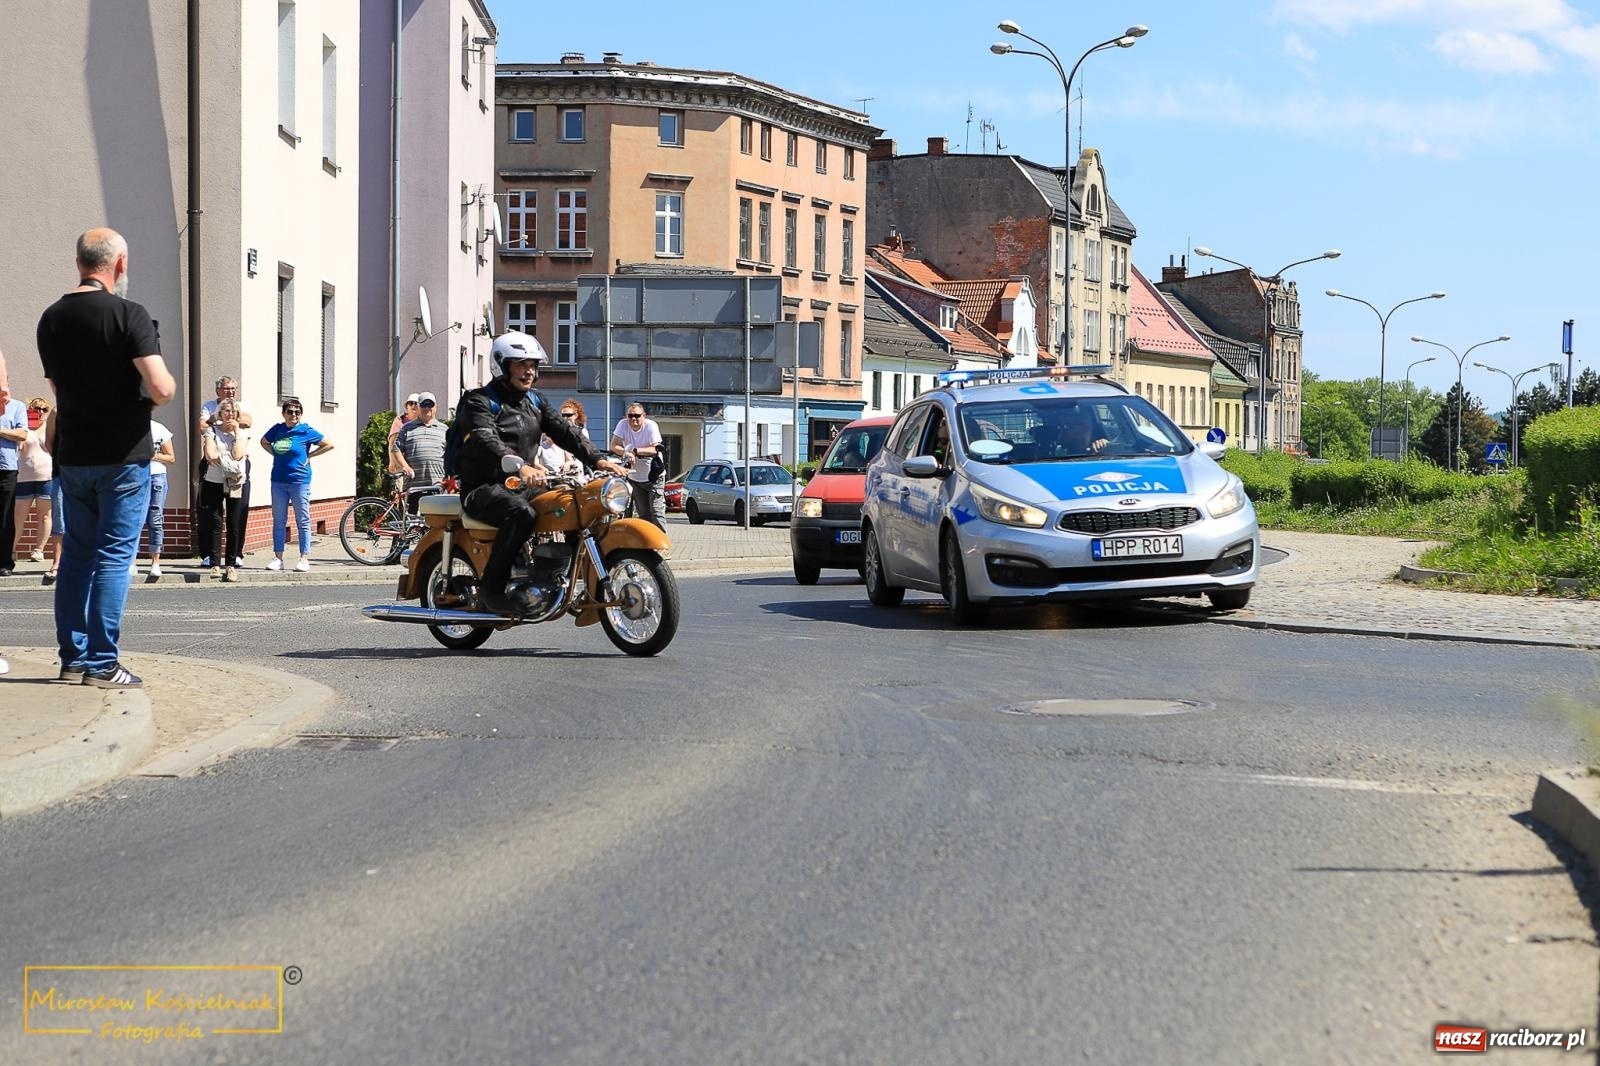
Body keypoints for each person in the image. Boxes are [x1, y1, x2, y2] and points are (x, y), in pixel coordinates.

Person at [36, 226, 177, 689]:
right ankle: (102, 664)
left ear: (80, 262)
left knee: (76, 555)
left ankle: (73, 660)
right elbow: (161, 387)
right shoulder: (129, 315)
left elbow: (58, 390)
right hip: (122, 455)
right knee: (116, 556)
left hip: (73, 456)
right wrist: (146, 402)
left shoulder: (51, 318)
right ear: (119, 264)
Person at [457, 331, 625, 617]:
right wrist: (519, 465)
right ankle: (492, 590)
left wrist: (598, 460)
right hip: (483, 487)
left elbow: (566, 432)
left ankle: (566, 578)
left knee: (575, 504)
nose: (529, 371)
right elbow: (485, 439)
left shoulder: (535, 402)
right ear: (502, 364)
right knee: (521, 514)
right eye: (521, 364)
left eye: (533, 365)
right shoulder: (479, 401)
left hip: (523, 484)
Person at [259, 397, 332, 572]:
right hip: (278, 481)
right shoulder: (277, 429)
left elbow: (328, 444)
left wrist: (310, 456)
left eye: (297, 412)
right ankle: (278, 558)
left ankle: (304, 558)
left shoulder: (305, 431)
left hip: (300, 481)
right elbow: (263, 441)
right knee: (279, 520)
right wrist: (275, 454)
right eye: (290, 412)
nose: (294, 415)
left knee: (303, 519)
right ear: (283, 413)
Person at [197, 376, 253, 567]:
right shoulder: (208, 405)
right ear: (218, 390)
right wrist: (218, 421)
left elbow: (248, 421)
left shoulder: (241, 406)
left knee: (238, 514)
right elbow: (203, 426)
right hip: (213, 468)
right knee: (210, 514)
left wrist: (231, 422)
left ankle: (236, 554)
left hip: (237, 470)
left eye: (233, 389)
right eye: (227, 389)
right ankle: (210, 556)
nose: (231, 392)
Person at [13, 398, 58, 576]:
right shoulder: (24, 429)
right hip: (24, 477)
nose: (39, 412)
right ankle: (11, 549)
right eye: (35, 409)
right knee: (18, 517)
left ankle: (38, 549)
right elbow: (19, 447)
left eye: (43, 409)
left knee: (45, 516)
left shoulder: (49, 427)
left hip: (46, 477)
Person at [610, 402, 666, 530]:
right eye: (630, 416)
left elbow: (655, 449)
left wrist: (635, 451)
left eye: (637, 416)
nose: (633, 419)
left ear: (644, 416)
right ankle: (647, 545)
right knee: (644, 515)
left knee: (656, 512)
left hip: (653, 476)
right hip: (635, 477)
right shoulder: (623, 424)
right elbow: (613, 445)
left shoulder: (651, 426)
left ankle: (662, 544)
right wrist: (625, 453)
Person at [391, 391, 447, 509]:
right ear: (418, 407)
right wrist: (405, 466)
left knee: (435, 522)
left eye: (430, 405)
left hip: (436, 484)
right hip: (413, 485)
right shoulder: (407, 427)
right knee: (411, 522)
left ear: (436, 407)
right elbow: (396, 449)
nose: (427, 408)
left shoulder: (444, 429)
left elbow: (451, 454)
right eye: (424, 405)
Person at [138, 419, 175, 579]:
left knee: (155, 517)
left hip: (156, 476)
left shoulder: (159, 428)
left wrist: (153, 455)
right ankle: (131, 562)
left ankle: (155, 562)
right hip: (135, 476)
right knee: (135, 519)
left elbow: (171, 457)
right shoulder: (126, 426)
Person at [0, 374, 25, 577]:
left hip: (6, 469)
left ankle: (5, 562)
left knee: (6, 517)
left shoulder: (16, 406)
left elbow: (22, 434)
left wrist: (0, 430)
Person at [536, 400, 589, 476]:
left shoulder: (582, 431)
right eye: (563, 415)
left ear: (576, 415)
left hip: (576, 465)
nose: (565, 418)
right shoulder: (561, 430)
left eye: (568, 415)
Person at [386, 393, 420, 488]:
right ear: (407, 407)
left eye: (416, 403)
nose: (413, 405)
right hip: (400, 467)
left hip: (415, 466)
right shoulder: (399, 422)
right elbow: (392, 444)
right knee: (403, 494)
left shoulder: (421, 423)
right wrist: (392, 462)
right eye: (410, 403)